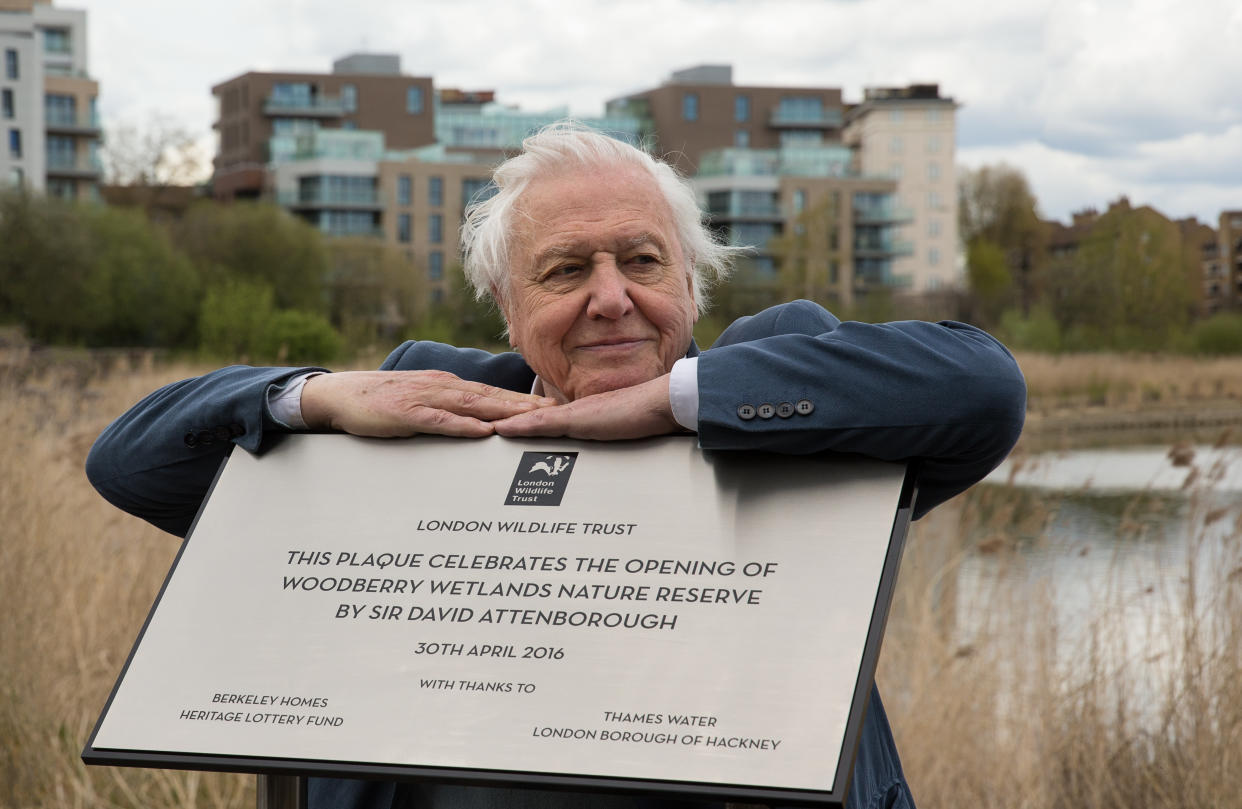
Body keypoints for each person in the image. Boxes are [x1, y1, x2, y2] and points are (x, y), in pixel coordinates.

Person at [87, 123, 1026, 809]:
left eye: (643, 261)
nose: (611, 298)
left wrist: (673, 404)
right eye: (566, 269)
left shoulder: (789, 390)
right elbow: (130, 462)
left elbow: (982, 388)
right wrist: (319, 397)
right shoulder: (427, 408)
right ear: (505, 303)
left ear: (691, 283)